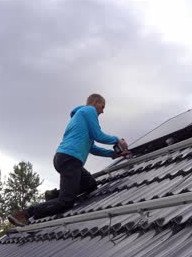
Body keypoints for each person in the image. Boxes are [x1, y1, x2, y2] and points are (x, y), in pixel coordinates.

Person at [8, 94, 129, 226]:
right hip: (70, 159)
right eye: (102, 106)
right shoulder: (89, 111)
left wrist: (113, 154)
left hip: (66, 158)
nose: (102, 111)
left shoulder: (82, 119)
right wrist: (117, 139)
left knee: (90, 185)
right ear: (95, 102)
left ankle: (53, 196)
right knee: (66, 201)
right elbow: (98, 135)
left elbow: (92, 148)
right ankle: (25, 214)